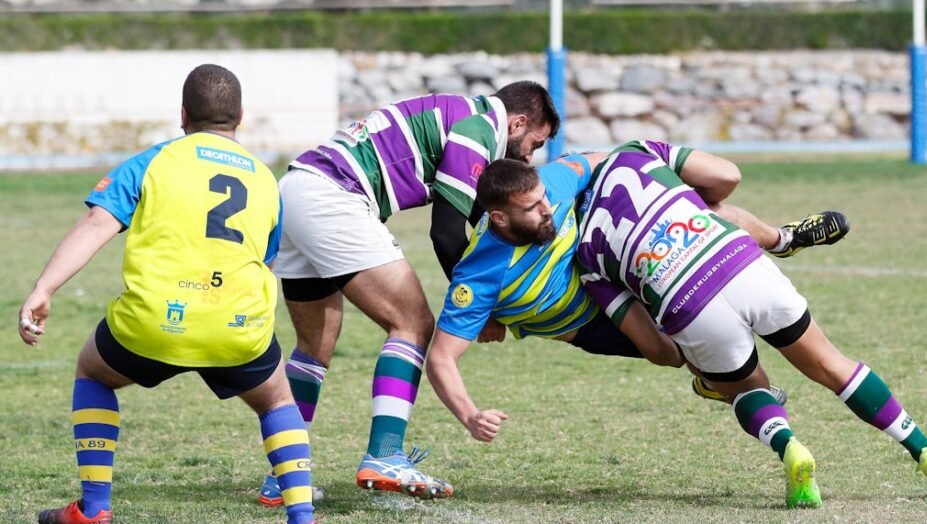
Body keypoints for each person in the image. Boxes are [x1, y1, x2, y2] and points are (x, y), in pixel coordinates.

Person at [532, 140, 927, 507]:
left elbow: (655, 348)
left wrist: (696, 363)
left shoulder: (585, 250)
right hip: (739, 261)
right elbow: (727, 175)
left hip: (690, 307)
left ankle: (790, 448)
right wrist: (692, 200)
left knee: (748, 391)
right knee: (832, 364)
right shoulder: (635, 154)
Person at [17, 65, 315, 524]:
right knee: (277, 400)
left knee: (93, 371)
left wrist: (44, 287)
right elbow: (266, 258)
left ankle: (94, 508)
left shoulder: (152, 161)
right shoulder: (264, 179)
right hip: (236, 327)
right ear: (240, 117)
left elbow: (98, 223)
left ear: (182, 114)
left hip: (155, 322)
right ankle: (301, 516)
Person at [257, 81, 560, 504]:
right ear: (518, 122)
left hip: (296, 188)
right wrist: (479, 313)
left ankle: (282, 479)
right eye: (534, 143)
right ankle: (385, 455)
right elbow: (447, 233)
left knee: (313, 348)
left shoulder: (459, 114)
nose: (530, 155)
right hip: (335, 196)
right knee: (413, 324)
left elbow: (475, 217)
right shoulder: (477, 129)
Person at [424, 144, 839, 442]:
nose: (546, 208)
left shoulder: (548, 184)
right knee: (669, 353)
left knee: (700, 212)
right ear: (499, 218)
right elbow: (441, 358)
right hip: (588, 323)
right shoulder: (479, 275)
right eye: (532, 209)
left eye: (544, 199)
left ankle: (783, 239)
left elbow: (597, 159)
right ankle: (714, 379)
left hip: (610, 257)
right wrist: (470, 415)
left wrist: (653, 175)